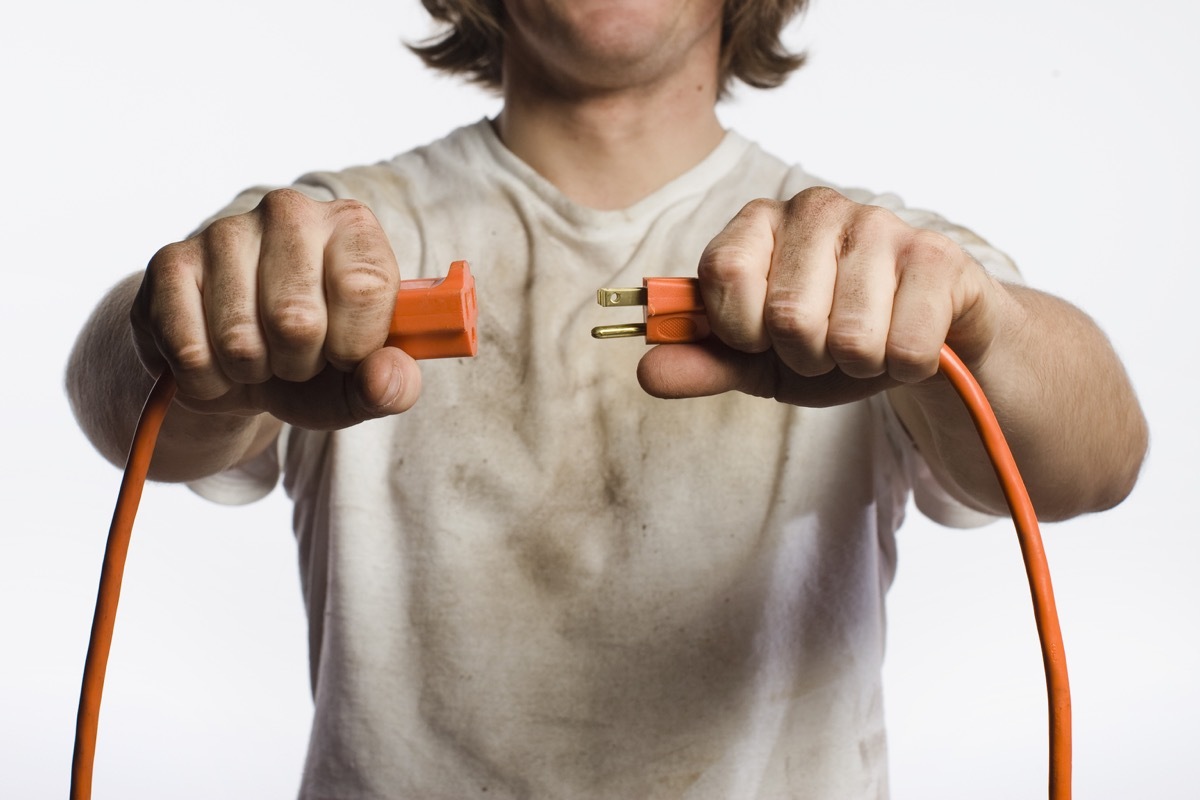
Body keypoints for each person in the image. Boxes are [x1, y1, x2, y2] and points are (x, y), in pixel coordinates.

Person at [66, 0, 1148, 797]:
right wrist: (177, 323)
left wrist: (980, 326)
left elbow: (1101, 459)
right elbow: (122, 402)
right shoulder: (329, 237)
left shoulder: (867, 257)